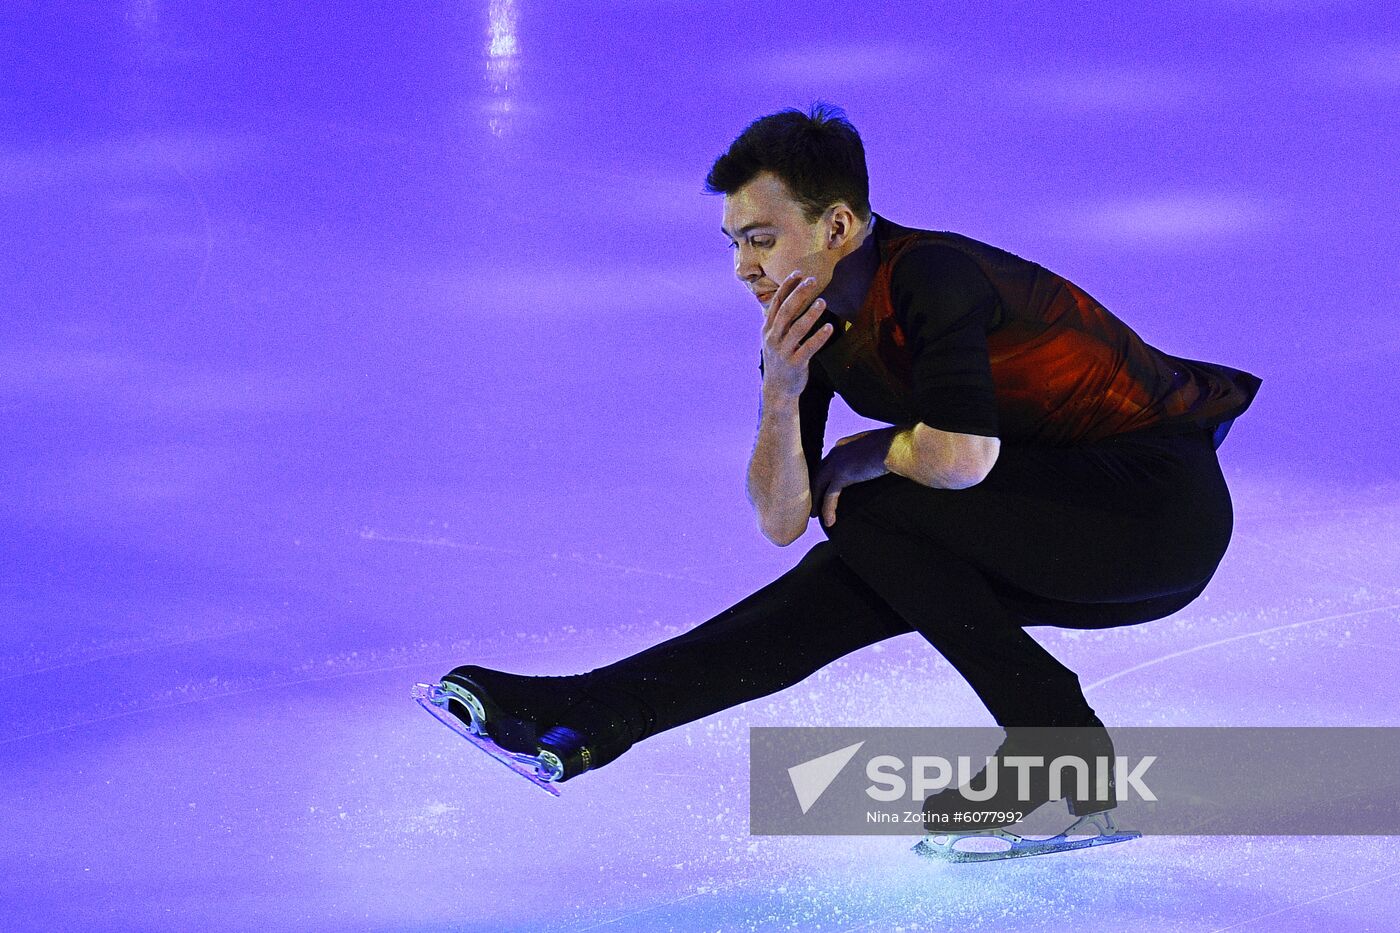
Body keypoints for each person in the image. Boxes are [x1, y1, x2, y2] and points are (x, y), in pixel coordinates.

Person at [435, 103, 1261, 817]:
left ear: (837, 225)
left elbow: (962, 458)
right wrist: (781, 394)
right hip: (1058, 521)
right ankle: (590, 713)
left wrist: (870, 447)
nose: (743, 267)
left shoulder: (932, 277)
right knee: (849, 576)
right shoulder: (805, 327)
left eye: (761, 238)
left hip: (1155, 513)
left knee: (874, 510)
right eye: (732, 244)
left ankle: (1059, 743)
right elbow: (783, 519)